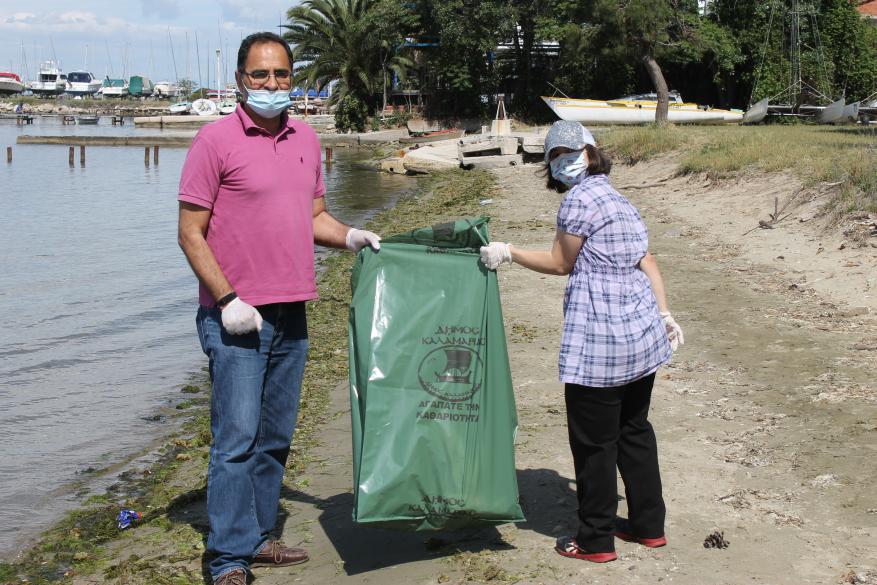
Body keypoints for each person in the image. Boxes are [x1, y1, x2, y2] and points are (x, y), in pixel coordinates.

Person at [177, 32, 380, 585]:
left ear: (293, 78)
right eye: (260, 74)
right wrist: (227, 300)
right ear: (241, 80)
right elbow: (190, 233)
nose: (272, 83)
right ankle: (228, 558)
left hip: (292, 311)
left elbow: (314, 217)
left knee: (273, 438)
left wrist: (352, 236)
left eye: (281, 74)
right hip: (236, 317)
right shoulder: (214, 141)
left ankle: (260, 536)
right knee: (235, 441)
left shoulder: (306, 139)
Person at [480, 120, 684, 563]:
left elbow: (560, 263)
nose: (562, 162)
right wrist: (664, 313)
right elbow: (647, 260)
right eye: (554, 156)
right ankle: (649, 525)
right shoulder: (619, 198)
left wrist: (508, 252)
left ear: (591, 153)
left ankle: (594, 540)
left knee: (594, 444)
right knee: (634, 430)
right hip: (640, 336)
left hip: (601, 343)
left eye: (569, 154)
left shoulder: (578, 200)